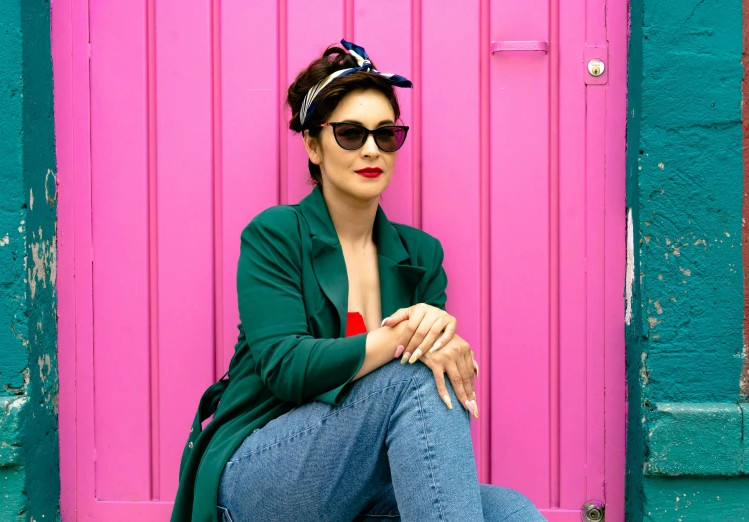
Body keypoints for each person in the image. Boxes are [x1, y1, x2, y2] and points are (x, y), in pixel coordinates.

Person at [171, 39, 545, 522]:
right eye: (350, 133)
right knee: (414, 376)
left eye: (386, 134)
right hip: (262, 470)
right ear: (312, 144)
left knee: (511, 512)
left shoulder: (421, 255)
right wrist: (400, 338)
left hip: (366, 483)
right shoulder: (276, 234)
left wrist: (441, 345)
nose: (372, 149)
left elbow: (433, 374)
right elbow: (287, 367)